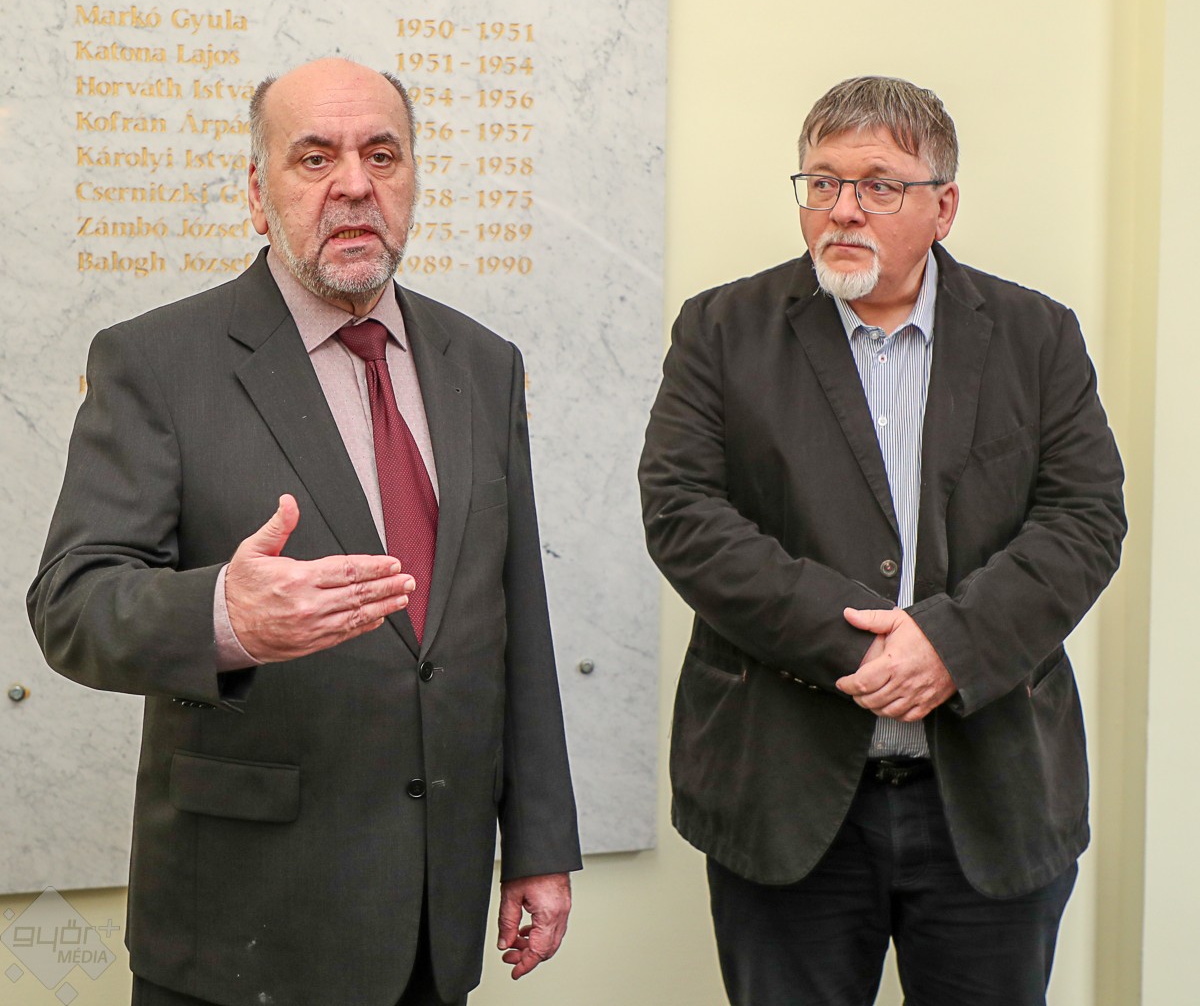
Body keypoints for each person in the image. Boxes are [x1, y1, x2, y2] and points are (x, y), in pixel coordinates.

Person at [29, 57, 581, 1006]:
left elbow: (514, 616)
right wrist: (223, 616)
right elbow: (71, 604)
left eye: (382, 155)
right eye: (315, 157)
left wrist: (537, 844)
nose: (355, 184)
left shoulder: (483, 364)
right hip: (241, 926)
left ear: (412, 181)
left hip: (432, 923)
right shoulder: (156, 361)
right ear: (258, 194)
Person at [639, 75, 1126, 1006]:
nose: (842, 209)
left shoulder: (1036, 336)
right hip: (784, 796)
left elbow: (1085, 519)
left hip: (991, 796)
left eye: (878, 185)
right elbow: (682, 513)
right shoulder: (722, 329)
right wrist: (859, 645)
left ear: (944, 206)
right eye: (822, 182)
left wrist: (949, 646)